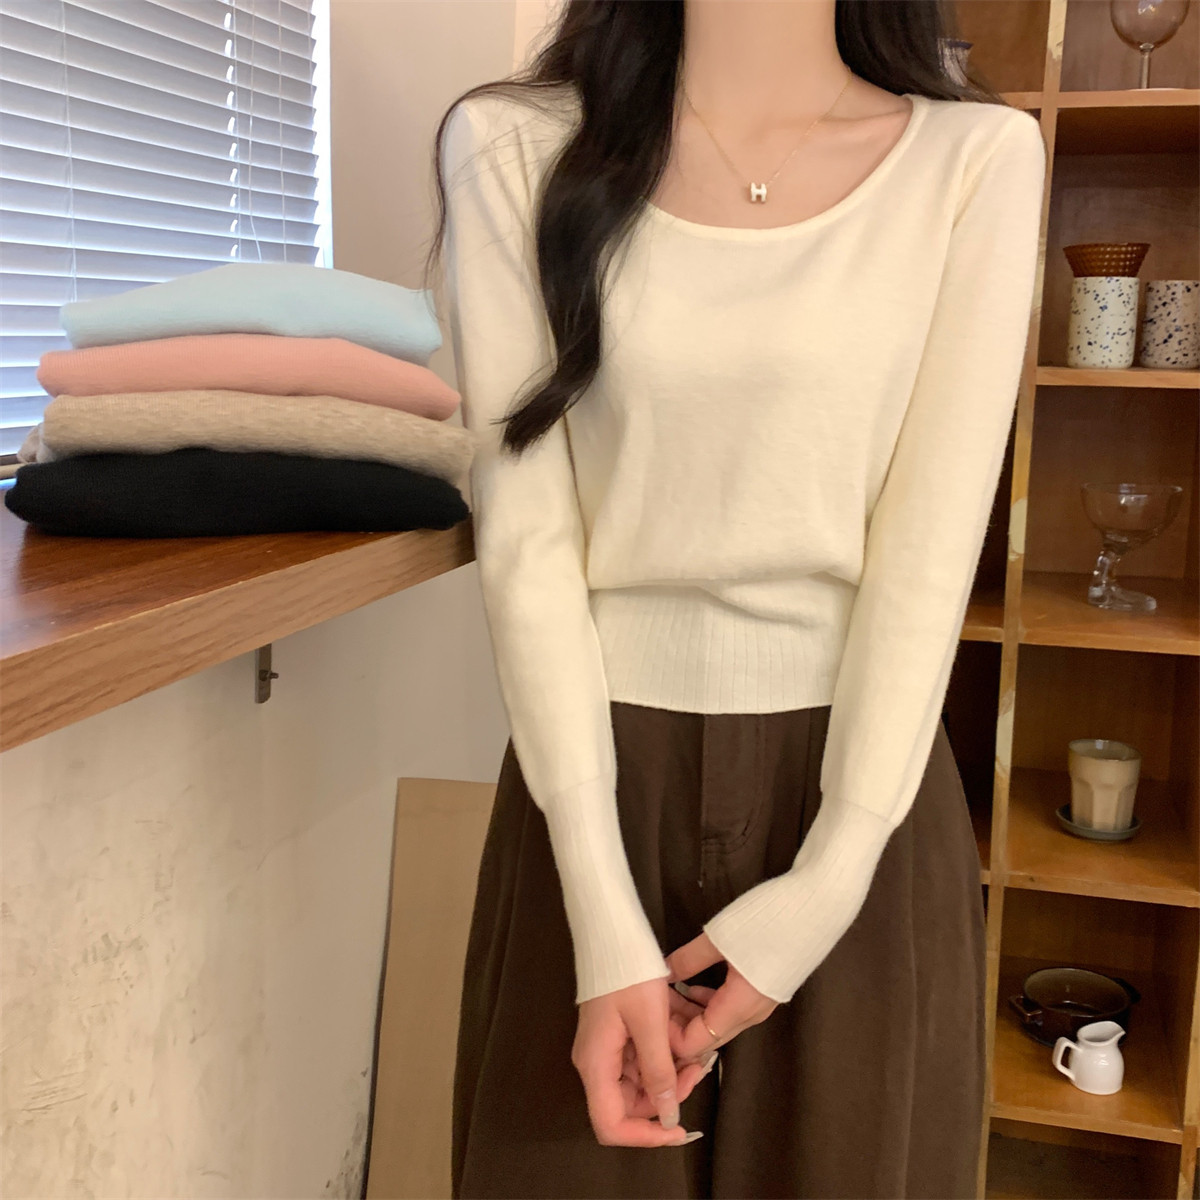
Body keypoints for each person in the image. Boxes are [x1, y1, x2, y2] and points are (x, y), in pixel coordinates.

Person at [424, 1, 1045, 1195]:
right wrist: (600, 910)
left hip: (861, 795)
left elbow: (927, 553)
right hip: (596, 790)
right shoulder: (511, 145)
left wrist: (830, 881)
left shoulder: (975, 159)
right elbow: (527, 536)